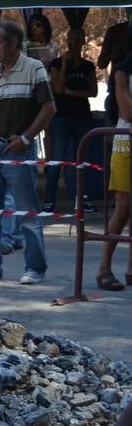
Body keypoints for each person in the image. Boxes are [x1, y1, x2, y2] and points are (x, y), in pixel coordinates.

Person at [0, 21, 56, 285]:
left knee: (27, 213)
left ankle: (35, 268)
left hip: (19, 149)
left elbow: (49, 108)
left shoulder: (34, 68)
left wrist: (27, 137)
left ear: (14, 42)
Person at [94, 35, 132, 290]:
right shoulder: (123, 70)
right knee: (123, 208)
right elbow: (127, 111)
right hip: (126, 145)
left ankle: (131, 269)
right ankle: (104, 268)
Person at [46, 27, 97, 213]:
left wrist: (72, 92)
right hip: (61, 117)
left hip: (82, 116)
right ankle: (50, 199)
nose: (72, 43)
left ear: (82, 41)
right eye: (69, 39)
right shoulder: (57, 63)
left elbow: (93, 91)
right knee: (58, 158)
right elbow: (58, 89)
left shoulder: (88, 66)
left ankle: (82, 198)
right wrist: (66, 64)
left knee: (81, 158)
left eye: (76, 39)